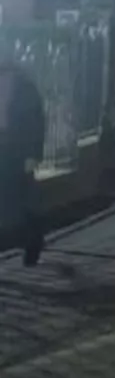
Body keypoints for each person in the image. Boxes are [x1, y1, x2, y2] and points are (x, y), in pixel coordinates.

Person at [0, 61, 47, 266]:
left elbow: (37, 122)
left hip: (18, 150)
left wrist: (33, 154)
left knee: (24, 199)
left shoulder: (23, 86)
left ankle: (34, 240)